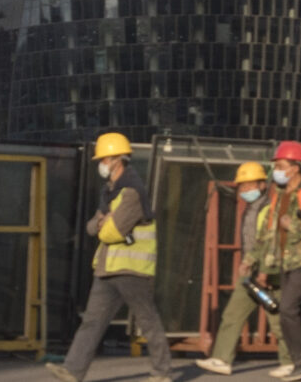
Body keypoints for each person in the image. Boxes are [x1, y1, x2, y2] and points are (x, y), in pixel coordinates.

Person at [53, 132, 175, 382]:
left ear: (118, 160)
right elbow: (91, 227)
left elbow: (113, 232)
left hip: (132, 270)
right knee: (92, 322)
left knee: (147, 321)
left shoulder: (131, 192)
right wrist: (102, 221)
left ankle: (162, 373)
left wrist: (104, 222)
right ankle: (72, 371)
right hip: (108, 269)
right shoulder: (110, 191)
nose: (102, 164)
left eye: (105, 159)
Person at [244, 141, 301, 382]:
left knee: (287, 309)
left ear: (296, 167)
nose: (277, 170)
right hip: (286, 261)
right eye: (276, 166)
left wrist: (293, 225)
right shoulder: (279, 194)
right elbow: (267, 231)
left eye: (281, 166)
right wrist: (253, 259)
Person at [200, 164, 276, 376]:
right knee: (232, 314)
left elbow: (271, 242)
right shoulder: (251, 209)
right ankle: (221, 358)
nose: (244, 190)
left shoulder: (269, 209)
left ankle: (296, 362)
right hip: (250, 271)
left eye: (249, 185)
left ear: (262, 185)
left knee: (278, 319)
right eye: (241, 186)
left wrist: (266, 270)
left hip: (267, 271)